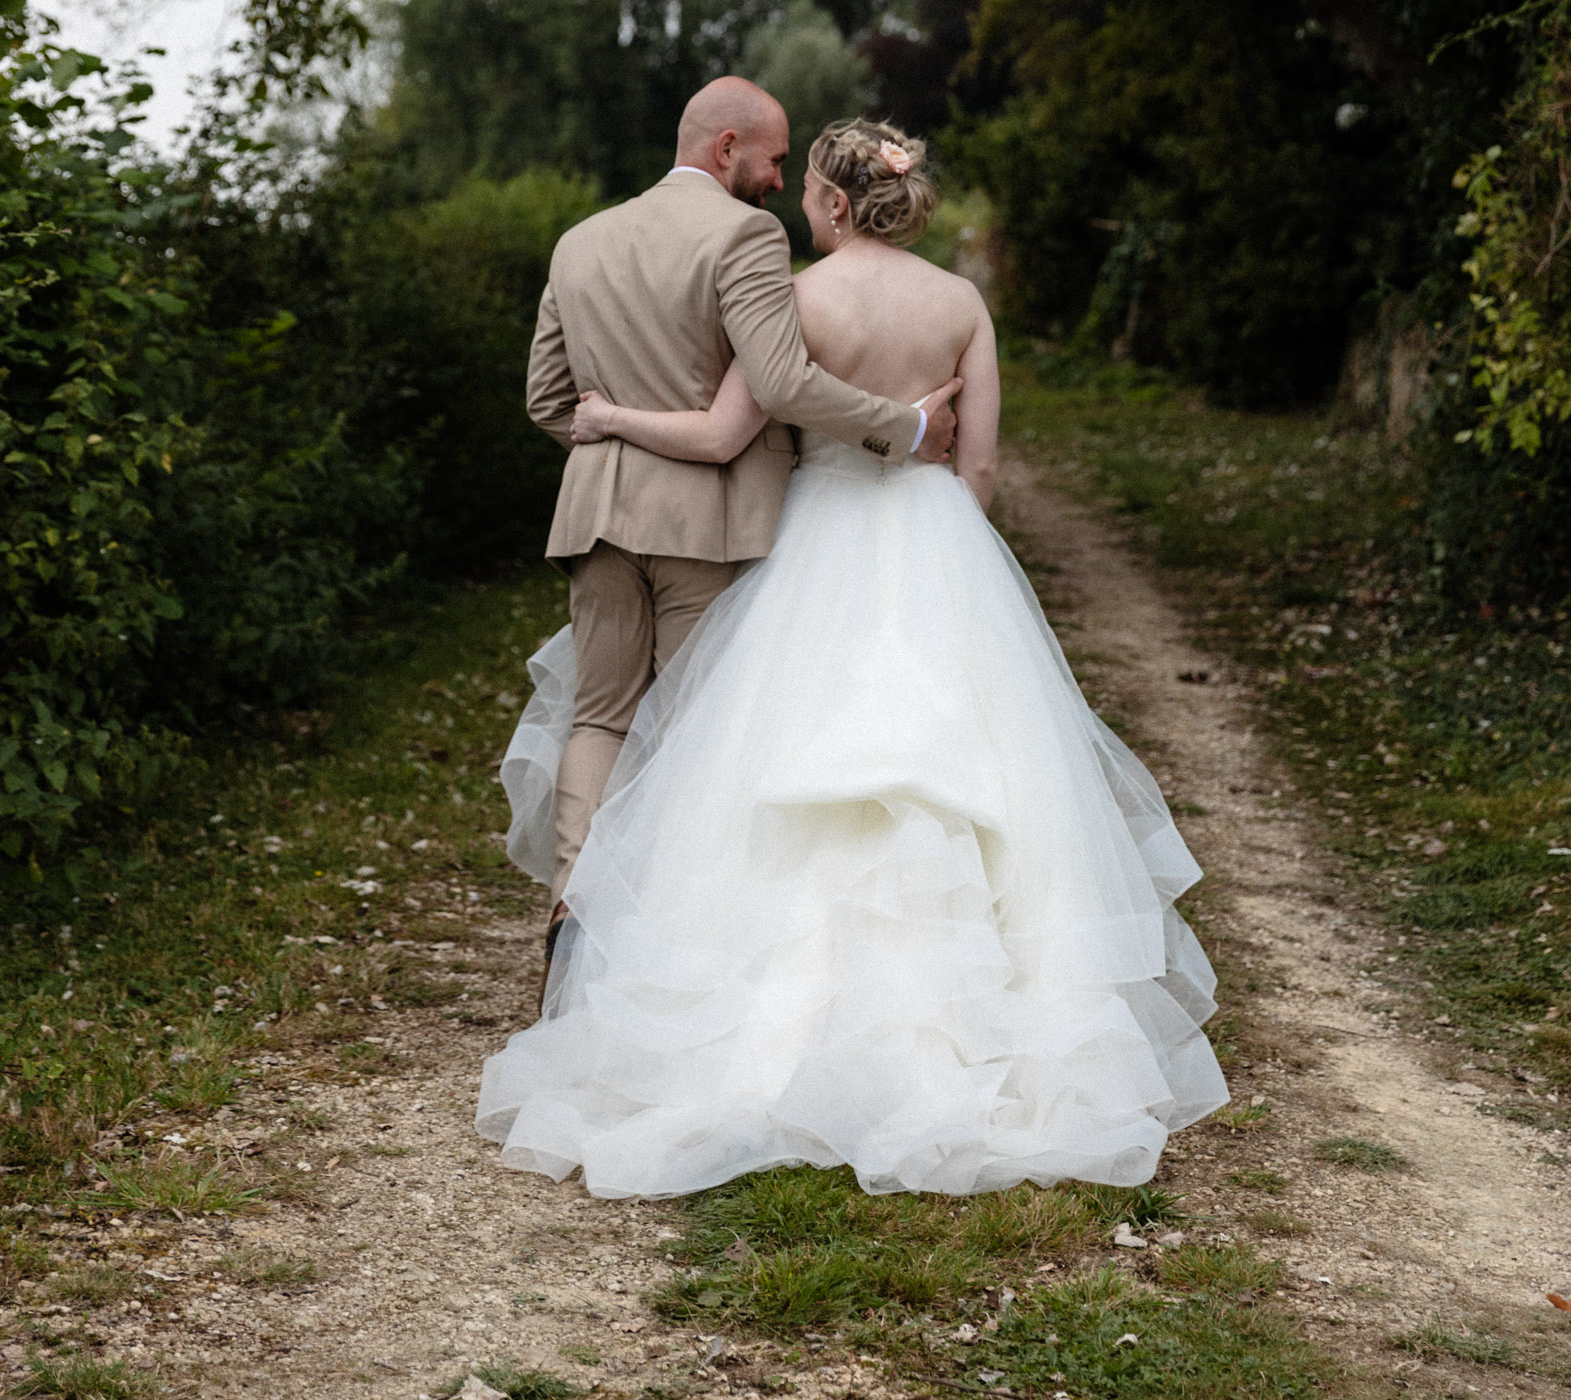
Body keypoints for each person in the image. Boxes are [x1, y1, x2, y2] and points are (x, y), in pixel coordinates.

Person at [477, 118, 1228, 1198]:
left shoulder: (796, 296)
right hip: (938, 548)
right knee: (979, 780)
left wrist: (606, 416)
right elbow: (975, 469)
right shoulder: (961, 306)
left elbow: (733, 433)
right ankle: (993, 1027)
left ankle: (740, 1029)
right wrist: (945, 548)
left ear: (830, 204)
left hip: (814, 541)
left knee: (760, 767)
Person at [518, 78, 963, 985]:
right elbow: (785, 382)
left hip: (598, 514)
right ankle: (659, 946)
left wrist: (616, 437)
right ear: (726, 147)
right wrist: (906, 428)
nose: (774, 181)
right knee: (690, 731)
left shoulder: (580, 242)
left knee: (599, 715)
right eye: (769, 159)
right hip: (707, 521)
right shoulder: (744, 237)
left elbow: (548, 403)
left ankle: (573, 899)